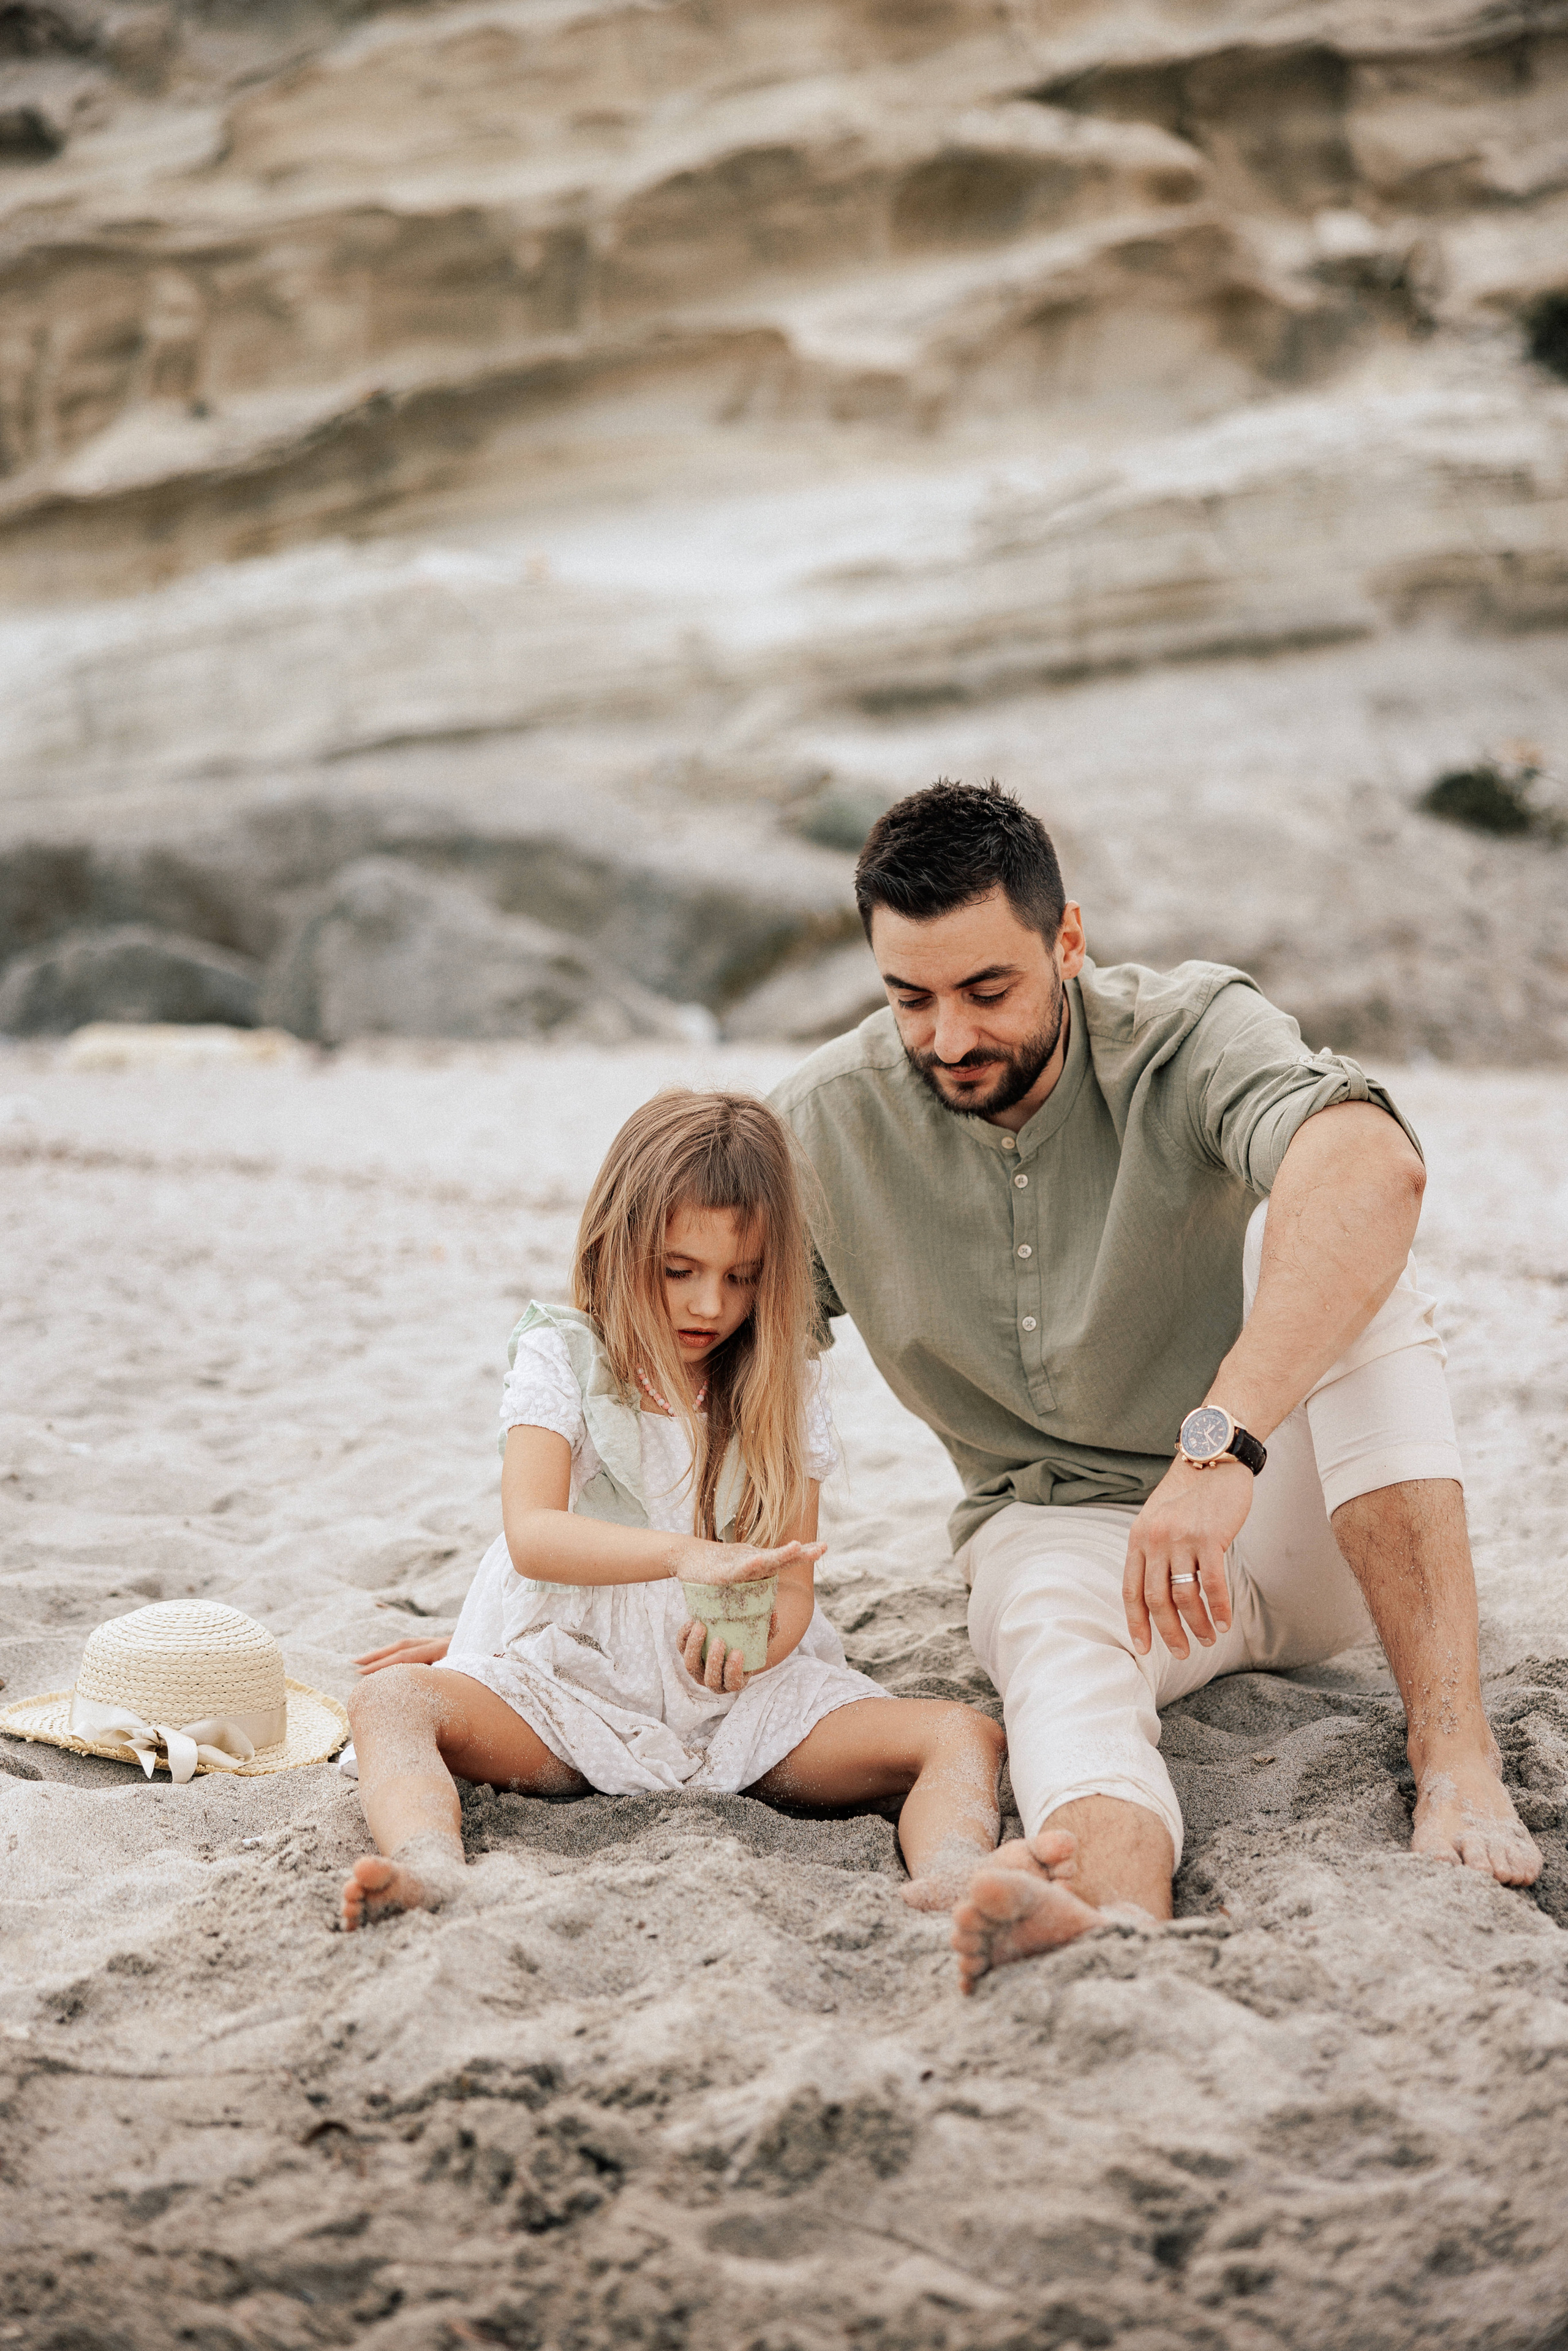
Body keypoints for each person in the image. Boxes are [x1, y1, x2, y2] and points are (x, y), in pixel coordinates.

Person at [771, 779, 1542, 1992]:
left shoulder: (1186, 1031)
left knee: (1342, 1255)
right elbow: (691, 1363)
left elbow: (1372, 1169)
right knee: (1046, 1640)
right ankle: (1101, 1905)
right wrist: (555, 1586)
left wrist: (1215, 1449)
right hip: (1070, 1539)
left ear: (1066, 941)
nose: (950, 1038)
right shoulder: (822, 1122)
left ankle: (1451, 1751)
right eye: (907, 998)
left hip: (1293, 1522)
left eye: (987, 990)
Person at [340, 1088, 1005, 1930]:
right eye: (678, 1270)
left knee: (961, 1731)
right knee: (392, 1702)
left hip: (738, 1704)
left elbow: (795, 1583)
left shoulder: (784, 1384)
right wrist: (683, 1556)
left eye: (741, 1277)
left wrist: (762, 1643)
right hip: (574, 1683)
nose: (708, 1306)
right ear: (619, 1245)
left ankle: (956, 1877)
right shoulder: (565, 1356)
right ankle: (428, 1863)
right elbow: (534, 1535)